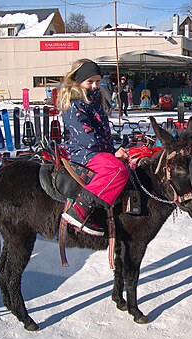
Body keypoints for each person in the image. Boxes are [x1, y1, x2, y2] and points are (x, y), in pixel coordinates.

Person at [57, 59, 130, 237]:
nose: (95, 86)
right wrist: (111, 153)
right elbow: (86, 136)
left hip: (97, 150)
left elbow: (102, 132)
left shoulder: (93, 101)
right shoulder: (74, 104)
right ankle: (80, 209)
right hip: (84, 152)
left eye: (98, 81)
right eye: (90, 82)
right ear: (77, 81)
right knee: (118, 170)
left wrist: (113, 150)